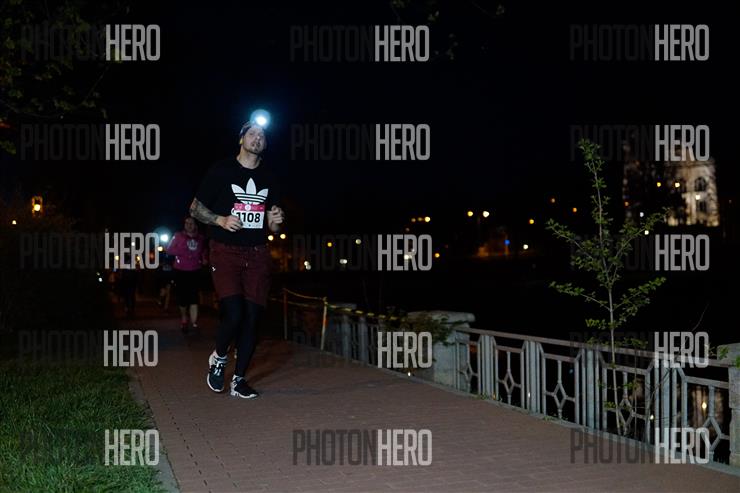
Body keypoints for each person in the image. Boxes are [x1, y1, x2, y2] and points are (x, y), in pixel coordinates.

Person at [189, 120, 284, 399]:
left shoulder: (270, 177)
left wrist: (276, 221)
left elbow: (273, 225)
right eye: (252, 133)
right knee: (234, 313)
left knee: (253, 318)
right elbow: (195, 208)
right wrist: (220, 219)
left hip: (257, 254)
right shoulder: (221, 170)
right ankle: (219, 358)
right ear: (241, 139)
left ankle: (239, 380)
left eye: (262, 135)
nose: (257, 138)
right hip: (225, 251)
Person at [167, 217, 207, 333]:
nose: (189, 225)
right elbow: (169, 250)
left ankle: (194, 323)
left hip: (195, 270)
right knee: (183, 297)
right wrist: (184, 251)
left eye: (191, 223)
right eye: (187, 223)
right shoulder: (178, 236)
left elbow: (204, 251)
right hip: (180, 270)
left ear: (196, 225)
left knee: (194, 296)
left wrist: (204, 258)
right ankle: (184, 318)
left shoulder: (201, 238)